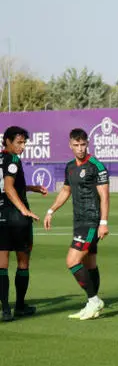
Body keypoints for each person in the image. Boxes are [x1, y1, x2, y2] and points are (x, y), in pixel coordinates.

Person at [44, 129, 112, 319]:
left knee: (72, 261)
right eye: (76, 145)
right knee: (89, 264)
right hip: (79, 220)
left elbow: (104, 196)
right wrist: (51, 210)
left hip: (91, 221)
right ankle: (91, 304)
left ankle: (94, 300)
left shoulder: (96, 166)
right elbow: (66, 191)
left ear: (87, 144)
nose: (80, 149)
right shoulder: (70, 167)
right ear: (70, 145)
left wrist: (103, 223)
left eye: (83, 145)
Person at [0, 126, 45, 322]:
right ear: (7, 141)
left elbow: (7, 185)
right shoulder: (13, 160)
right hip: (16, 219)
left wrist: (31, 187)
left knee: (1, 265)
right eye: (19, 142)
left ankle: (5, 310)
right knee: (23, 263)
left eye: (24, 142)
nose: (23, 146)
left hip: (0, 216)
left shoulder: (1, 159)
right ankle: (19, 306)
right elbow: (10, 188)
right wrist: (24, 210)